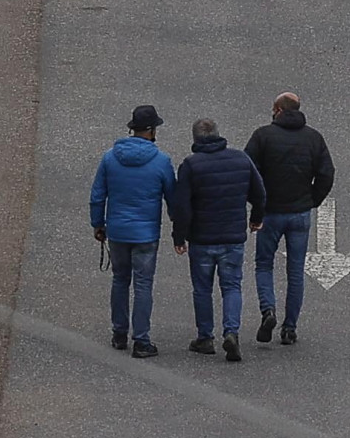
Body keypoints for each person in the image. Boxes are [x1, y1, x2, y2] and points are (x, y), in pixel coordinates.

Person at [165, 116, 265, 361]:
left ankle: (205, 337)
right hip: (233, 238)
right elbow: (259, 193)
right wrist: (256, 219)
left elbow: (182, 207)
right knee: (231, 286)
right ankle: (231, 332)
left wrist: (179, 237)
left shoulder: (191, 165)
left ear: (195, 138)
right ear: (219, 135)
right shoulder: (241, 159)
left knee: (202, 289)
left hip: (202, 239)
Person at [244, 94, 336, 347]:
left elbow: (247, 170)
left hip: (270, 212)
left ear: (277, 110)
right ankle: (290, 328)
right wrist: (311, 200)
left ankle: (268, 310)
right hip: (299, 213)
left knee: (264, 264)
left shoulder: (262, 136)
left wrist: (257, 202)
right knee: (295, 271)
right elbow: (326, 174)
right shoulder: (313, 138)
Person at [88, 105, 177, 358]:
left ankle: (119, 333)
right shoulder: (161, 161)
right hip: (146, 234)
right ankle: (141, 340)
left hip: (117, 231)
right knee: (143, 284)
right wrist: (179, 230)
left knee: (119, 280)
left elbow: (97, 195)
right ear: (150, 131)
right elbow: (173, 197)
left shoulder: (110, 157)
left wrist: (98, 224)